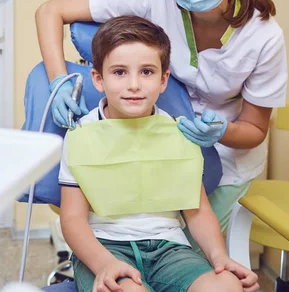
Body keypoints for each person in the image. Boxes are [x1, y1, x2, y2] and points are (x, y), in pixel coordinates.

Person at [36, 0, 288, 242]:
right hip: (154, 144)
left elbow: (255, 128)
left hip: (226, 160)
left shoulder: (264, 36)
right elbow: (51, 10)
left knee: (196, 258)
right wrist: (59, 80)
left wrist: (219, 131)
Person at [59, 16, 258, 292]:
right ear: (98, 79)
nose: (133, 84)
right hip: (104, 247)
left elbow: (197, 211)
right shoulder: (80, 136)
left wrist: (219, 257)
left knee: (226, 286)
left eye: (147, 72)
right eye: (119, 72)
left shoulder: (179, 133)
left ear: (163, 80)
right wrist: (104, 263)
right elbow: (72, 219)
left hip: (170, 249)